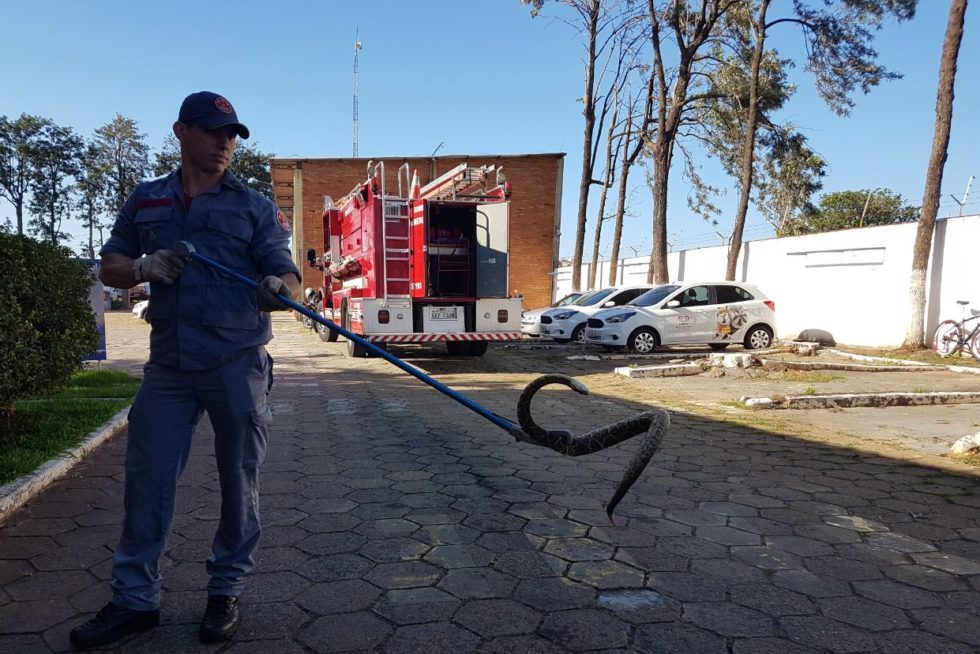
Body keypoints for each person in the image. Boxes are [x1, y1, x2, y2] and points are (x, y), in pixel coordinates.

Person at [70, 91, 301, 649]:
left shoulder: (251, 206)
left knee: (238, 482)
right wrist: (143, 266)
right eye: (213, 131)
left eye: (232, 135)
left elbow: (289, 276)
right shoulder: (147, 200)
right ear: (181, 132)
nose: (225, 143)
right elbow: (112, 265)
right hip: (169, 365)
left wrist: (280, 289)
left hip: (236, 362)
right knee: (146, 480)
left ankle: (225, 589)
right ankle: (134, 600)